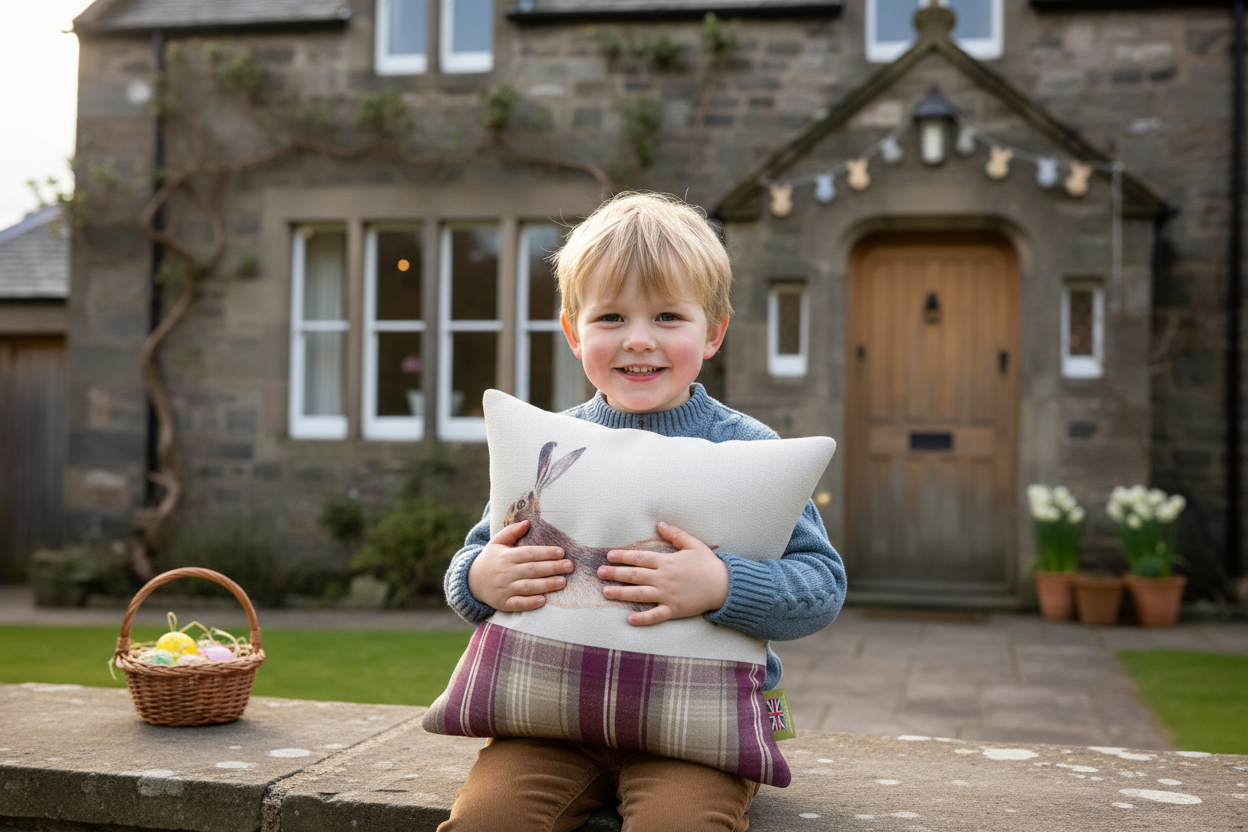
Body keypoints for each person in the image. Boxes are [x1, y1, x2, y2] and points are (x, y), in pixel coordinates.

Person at [438, 192, 846, 832]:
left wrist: (724, 585)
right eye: (610, 318)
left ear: (713, 330)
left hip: (696, 740)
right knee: (485, 823)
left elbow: (822, 585)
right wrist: (478, 581)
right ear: (574, 332)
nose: (637, 340)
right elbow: (476, 555)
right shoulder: (545, 440)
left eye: (665, 316)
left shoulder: (746, 448)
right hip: (548, 728)